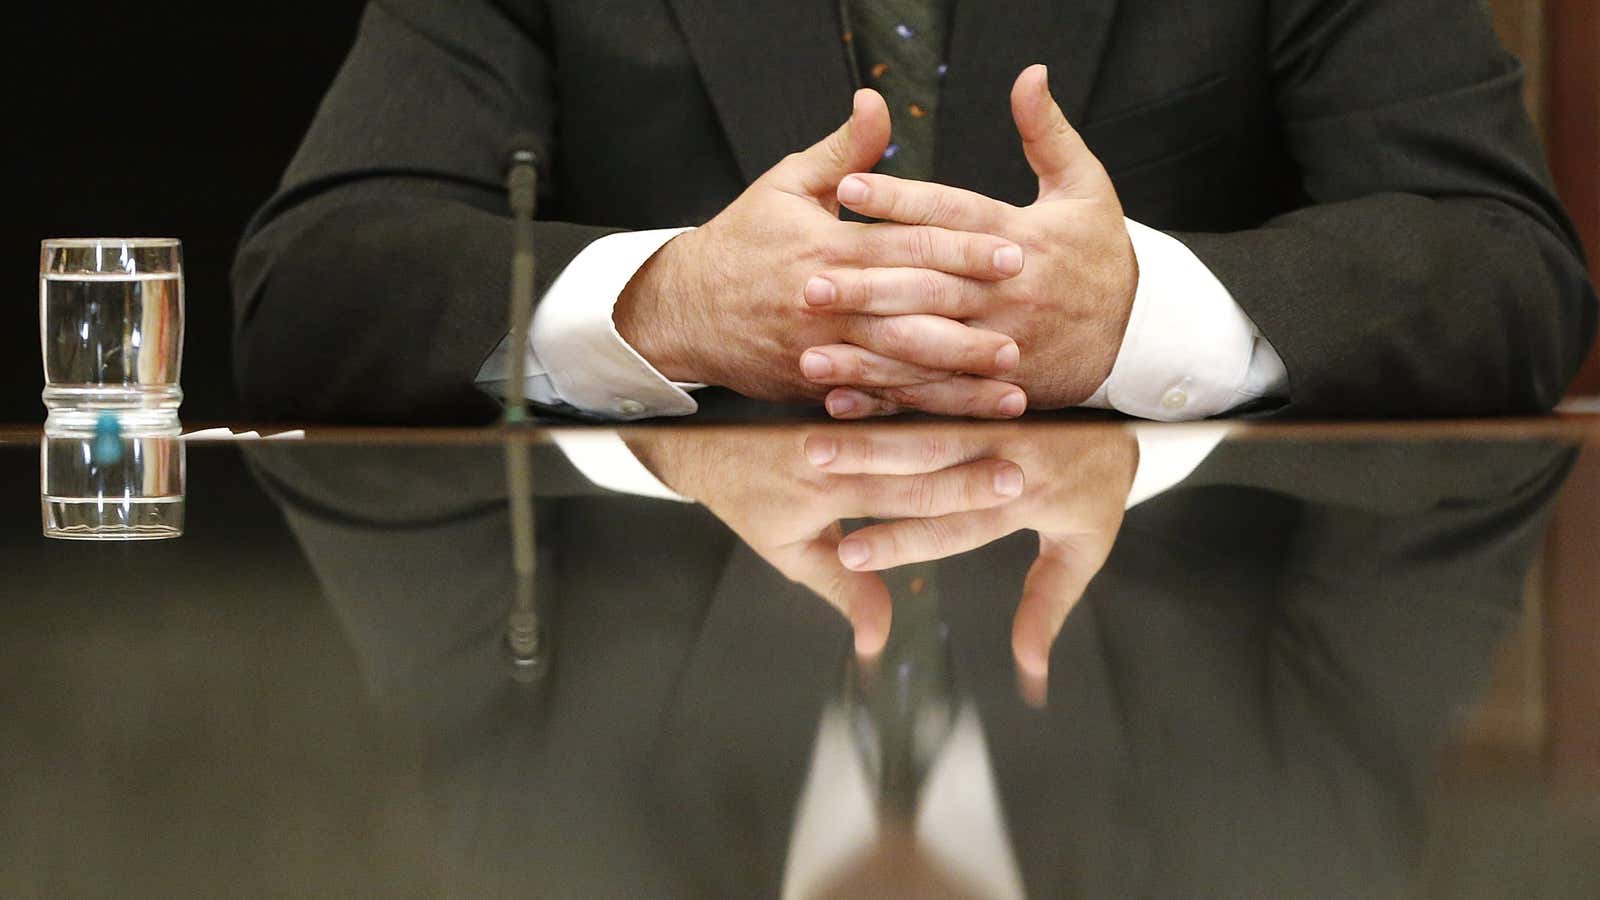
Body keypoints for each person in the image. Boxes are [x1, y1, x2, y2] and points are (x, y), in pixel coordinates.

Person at [233, 0, 1597, 424]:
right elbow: (313, 285)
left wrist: (1138, 313)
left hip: (1170, 641)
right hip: (652, 634)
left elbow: (1508, 263)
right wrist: (670, 305)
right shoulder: (592, 845)